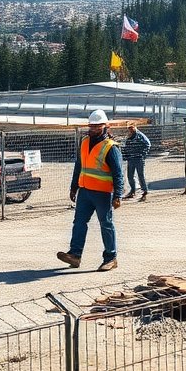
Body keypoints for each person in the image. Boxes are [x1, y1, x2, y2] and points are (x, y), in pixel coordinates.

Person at [59, 109, 123, 271]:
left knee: (106, 224)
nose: (93, 129)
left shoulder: (111, 147)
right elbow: (79, 166)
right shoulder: (85, 141)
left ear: (105, 126)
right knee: (79, 222)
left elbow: (118, 173)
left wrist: (118, 195)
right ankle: (75, 255)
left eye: (97, 126)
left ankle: (111, 258)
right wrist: (74, 187)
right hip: (85, 192)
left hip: (102, 194)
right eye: (91, 126)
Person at [122, 123, 151, 202]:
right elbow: (126, 147)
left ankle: (145, 192)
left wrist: (142, 154)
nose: (130, 129)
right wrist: (126, 155)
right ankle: (133, 191)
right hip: (131, 159)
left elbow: (148, 144)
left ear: (134, 127)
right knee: (130, 176)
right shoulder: (129, 136)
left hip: (138, 159)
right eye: (129, 128)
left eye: (131, 127)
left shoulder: (139, 135)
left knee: (140, 176)